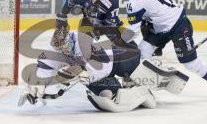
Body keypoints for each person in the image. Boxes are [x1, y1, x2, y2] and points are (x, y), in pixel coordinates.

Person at [19, 29, 189, 112]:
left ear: (70, 43)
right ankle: (138, 94)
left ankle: (147, 78)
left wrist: (83, 73)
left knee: (136, 71)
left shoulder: (83, 43)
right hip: (95, 74)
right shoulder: (54, 50)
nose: (62, 52)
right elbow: (44, 70)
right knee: (108, 96)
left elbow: (102, 66)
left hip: (118, 60)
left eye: (65, 48)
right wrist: (36, 88)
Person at [122, 0, 207, 81]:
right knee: (142, 51)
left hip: (178, 25)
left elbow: (133, 31)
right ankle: (142, 82)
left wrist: (119, 43)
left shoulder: (137, 1)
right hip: (160, 28)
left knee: (192, 65)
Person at [53, 0, 133, 49]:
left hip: (107, 22)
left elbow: (110, 23)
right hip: (88, 20)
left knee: (122, 44)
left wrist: (96, 33)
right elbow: (68, 4)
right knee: (82, 45)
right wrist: (62, 20)